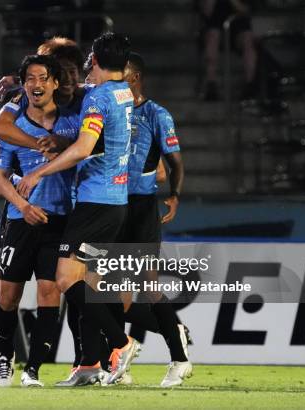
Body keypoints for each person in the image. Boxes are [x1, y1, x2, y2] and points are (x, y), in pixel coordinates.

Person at [17, 32, 140, 387]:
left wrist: (38, 171)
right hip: (116, 202)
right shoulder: (123, 93)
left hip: (95, 202)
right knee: (89, 283)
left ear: (96, 61)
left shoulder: (99, 98)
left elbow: (85, 147)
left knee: (66, 278)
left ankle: (121, 343)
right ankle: (89, 365)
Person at [0, 36, 86, 385]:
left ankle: (35, 369)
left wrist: (64, 146)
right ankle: (0, 354)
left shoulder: (77, 115)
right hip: (19, 218)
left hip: (61, 219)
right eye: (32, 77)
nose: (39, 83)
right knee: (4, 292)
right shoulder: (15, 113)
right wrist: (22, 205)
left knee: (50, 291)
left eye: (49, 75)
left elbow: (86, 149)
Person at [119, 52, 193, 387]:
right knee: (109, 291)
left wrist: (174, 195)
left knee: (148, 286)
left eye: (119, 75)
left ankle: (179, 359)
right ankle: (118, 362)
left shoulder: (155, 114)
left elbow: (175, 162)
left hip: (141, 207)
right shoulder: (107, 110)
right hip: (109, 206)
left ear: (133, 77)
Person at [198, 0, 258, 100]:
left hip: (239, 31)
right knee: (212, 36)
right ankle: (211, 84)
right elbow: (206, 12)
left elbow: (246, 11)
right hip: (216, 29)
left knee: (248, 39)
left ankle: (250, 84)